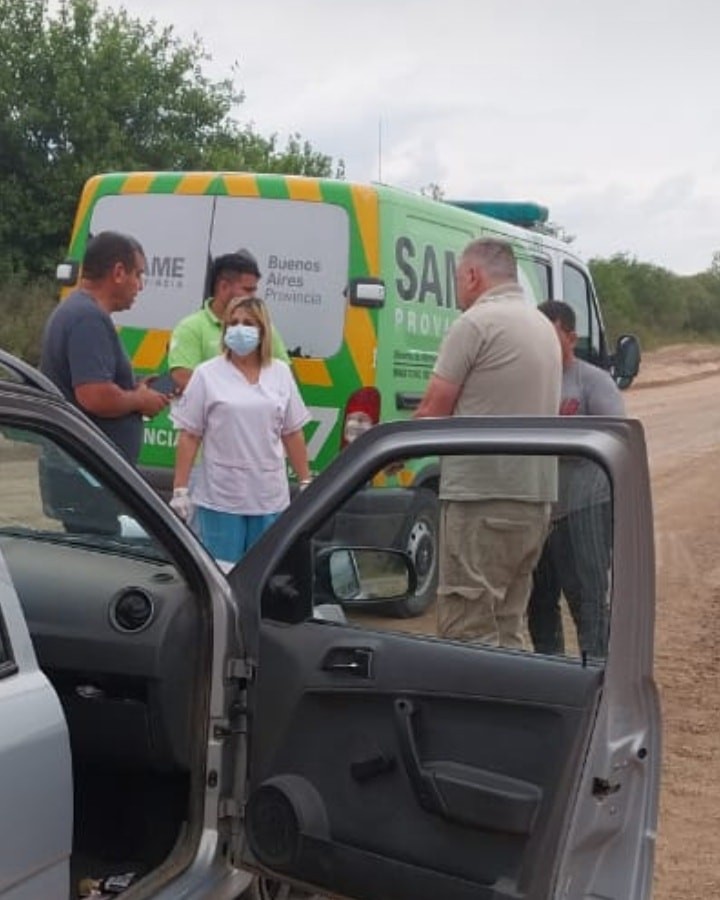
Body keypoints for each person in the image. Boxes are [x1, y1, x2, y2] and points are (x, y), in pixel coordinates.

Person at [414, 238, 562, 648]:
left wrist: (383, 454)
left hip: (482, 499)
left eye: (458, 278)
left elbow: (432, 411)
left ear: (473, 275)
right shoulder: (542, 327)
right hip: (534, 499)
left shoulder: (475, 324)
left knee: (468, 631)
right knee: (508, 625)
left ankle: (473, 695)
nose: (457, 289)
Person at [169, 296, 311, 564]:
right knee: (222, 572)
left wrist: (305, 481)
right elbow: (190, 435)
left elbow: (292, 432)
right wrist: (180, 489)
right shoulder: (207, 374)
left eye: (248, 323)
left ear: (263, 330)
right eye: (233, 323)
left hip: (268, 497)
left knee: (263, 570)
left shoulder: (280, 373)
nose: (239, 329)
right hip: (221, 497)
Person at [527, 300, 626, 659]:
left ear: (571, 337)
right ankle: (550, 673)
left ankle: (598, 673)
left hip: (585, 506)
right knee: (538, 601)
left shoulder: (592, 381)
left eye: (552, 336)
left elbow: (616, 441)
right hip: (538, 506)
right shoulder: (529, 381)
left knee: (587, 598)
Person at [40, 231, 169, 462]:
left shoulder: (79, 311)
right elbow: (95, 396)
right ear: (118, 273)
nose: (140, 286)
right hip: (84, 467)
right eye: (138, 274)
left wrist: (135, 388)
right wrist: (140, 400)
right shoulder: (87, 317)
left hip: (81, 464)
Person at [168, 249, 289, 392]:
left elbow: (286, 378)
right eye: (247, 290)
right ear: (224, 287)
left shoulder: (264, 327)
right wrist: (236, 397)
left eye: (254, 290)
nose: (253, 297)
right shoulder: (191, 327)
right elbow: (184, 379)